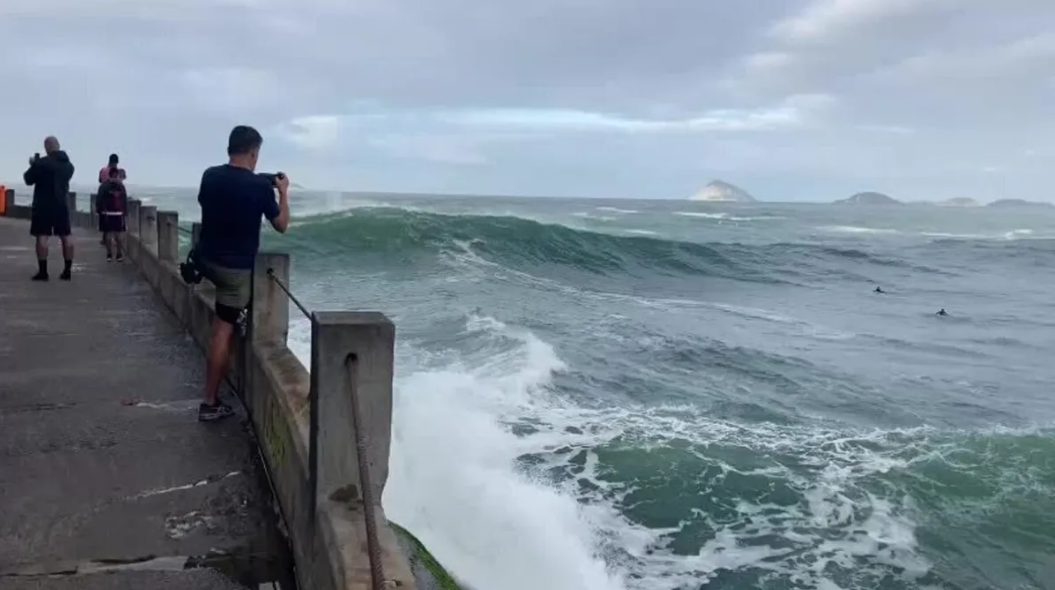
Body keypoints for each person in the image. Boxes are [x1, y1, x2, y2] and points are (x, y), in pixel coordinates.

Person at [195, 125, 290, 421]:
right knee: (223, 330)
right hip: (233, 271)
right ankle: (209, 402)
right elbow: (281, 224)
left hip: (206, 260)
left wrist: (260, 182)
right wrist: (283, 192)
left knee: (228, 315)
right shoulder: (259, 188)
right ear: (253, 152)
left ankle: (239, 321)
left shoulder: (210, 175)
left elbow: (221, 191)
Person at [24, 136, 75, 281]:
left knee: (42, 236)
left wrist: (33, 165)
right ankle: (67, 271)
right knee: (66, 236)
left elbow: (28, 179)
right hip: (61, 204)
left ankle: (43, 272)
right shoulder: (69, 166)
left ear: (46, 147)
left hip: (43, 205)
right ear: (58, 146)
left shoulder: (42, 163)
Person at [96, 166, 129, 262]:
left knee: (108, 234)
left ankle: (109, 254)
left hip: (106, 213)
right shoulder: (121, 186)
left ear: (109, 174)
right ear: (117, 175)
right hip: (119, 214)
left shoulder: (104, 186)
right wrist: (125, 213)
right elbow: (124, 200)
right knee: (119, 234)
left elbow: (99, 200)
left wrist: (99, 211)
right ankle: (119, 254)